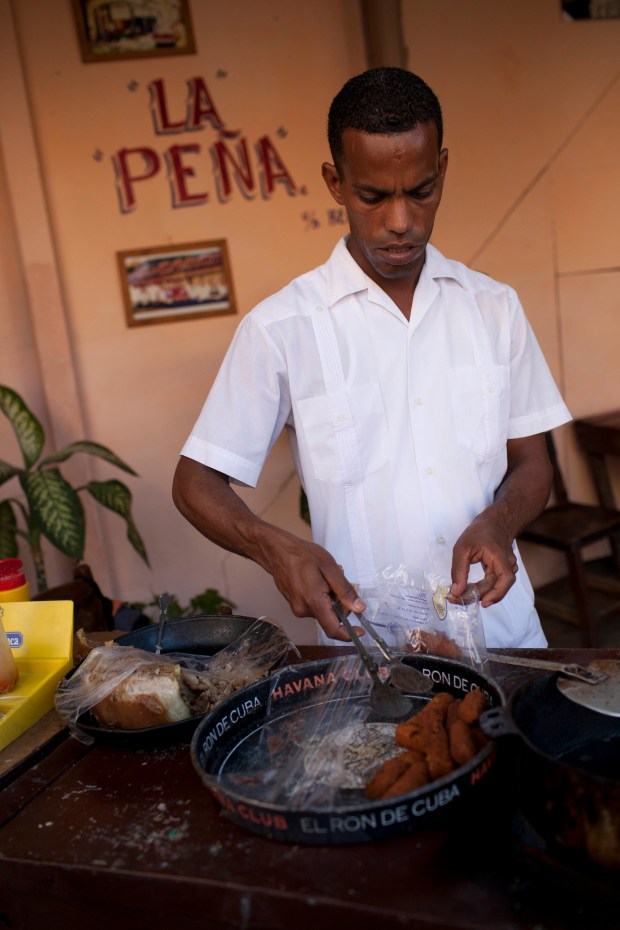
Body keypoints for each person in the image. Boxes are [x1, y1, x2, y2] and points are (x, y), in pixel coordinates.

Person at [172, 67, 571, 647]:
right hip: (372, 658)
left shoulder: (494, 308)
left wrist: (498, 520)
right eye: (373, 196)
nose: (401, 222)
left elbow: (533, 462)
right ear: (336, 183)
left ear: (443, 171)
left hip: (503, 636)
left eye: (421, 190)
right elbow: (194, 482)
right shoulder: (282, 327)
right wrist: (276, 547)